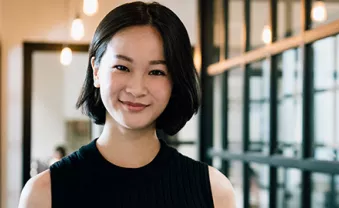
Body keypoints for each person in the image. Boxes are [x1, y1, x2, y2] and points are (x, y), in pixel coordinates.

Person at [18, 1, 236, 208]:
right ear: (96, 71)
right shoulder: (43, 194)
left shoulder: (214, 191)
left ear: (174, 82)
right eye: (122, 67)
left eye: (156, 72)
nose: (137, 89)